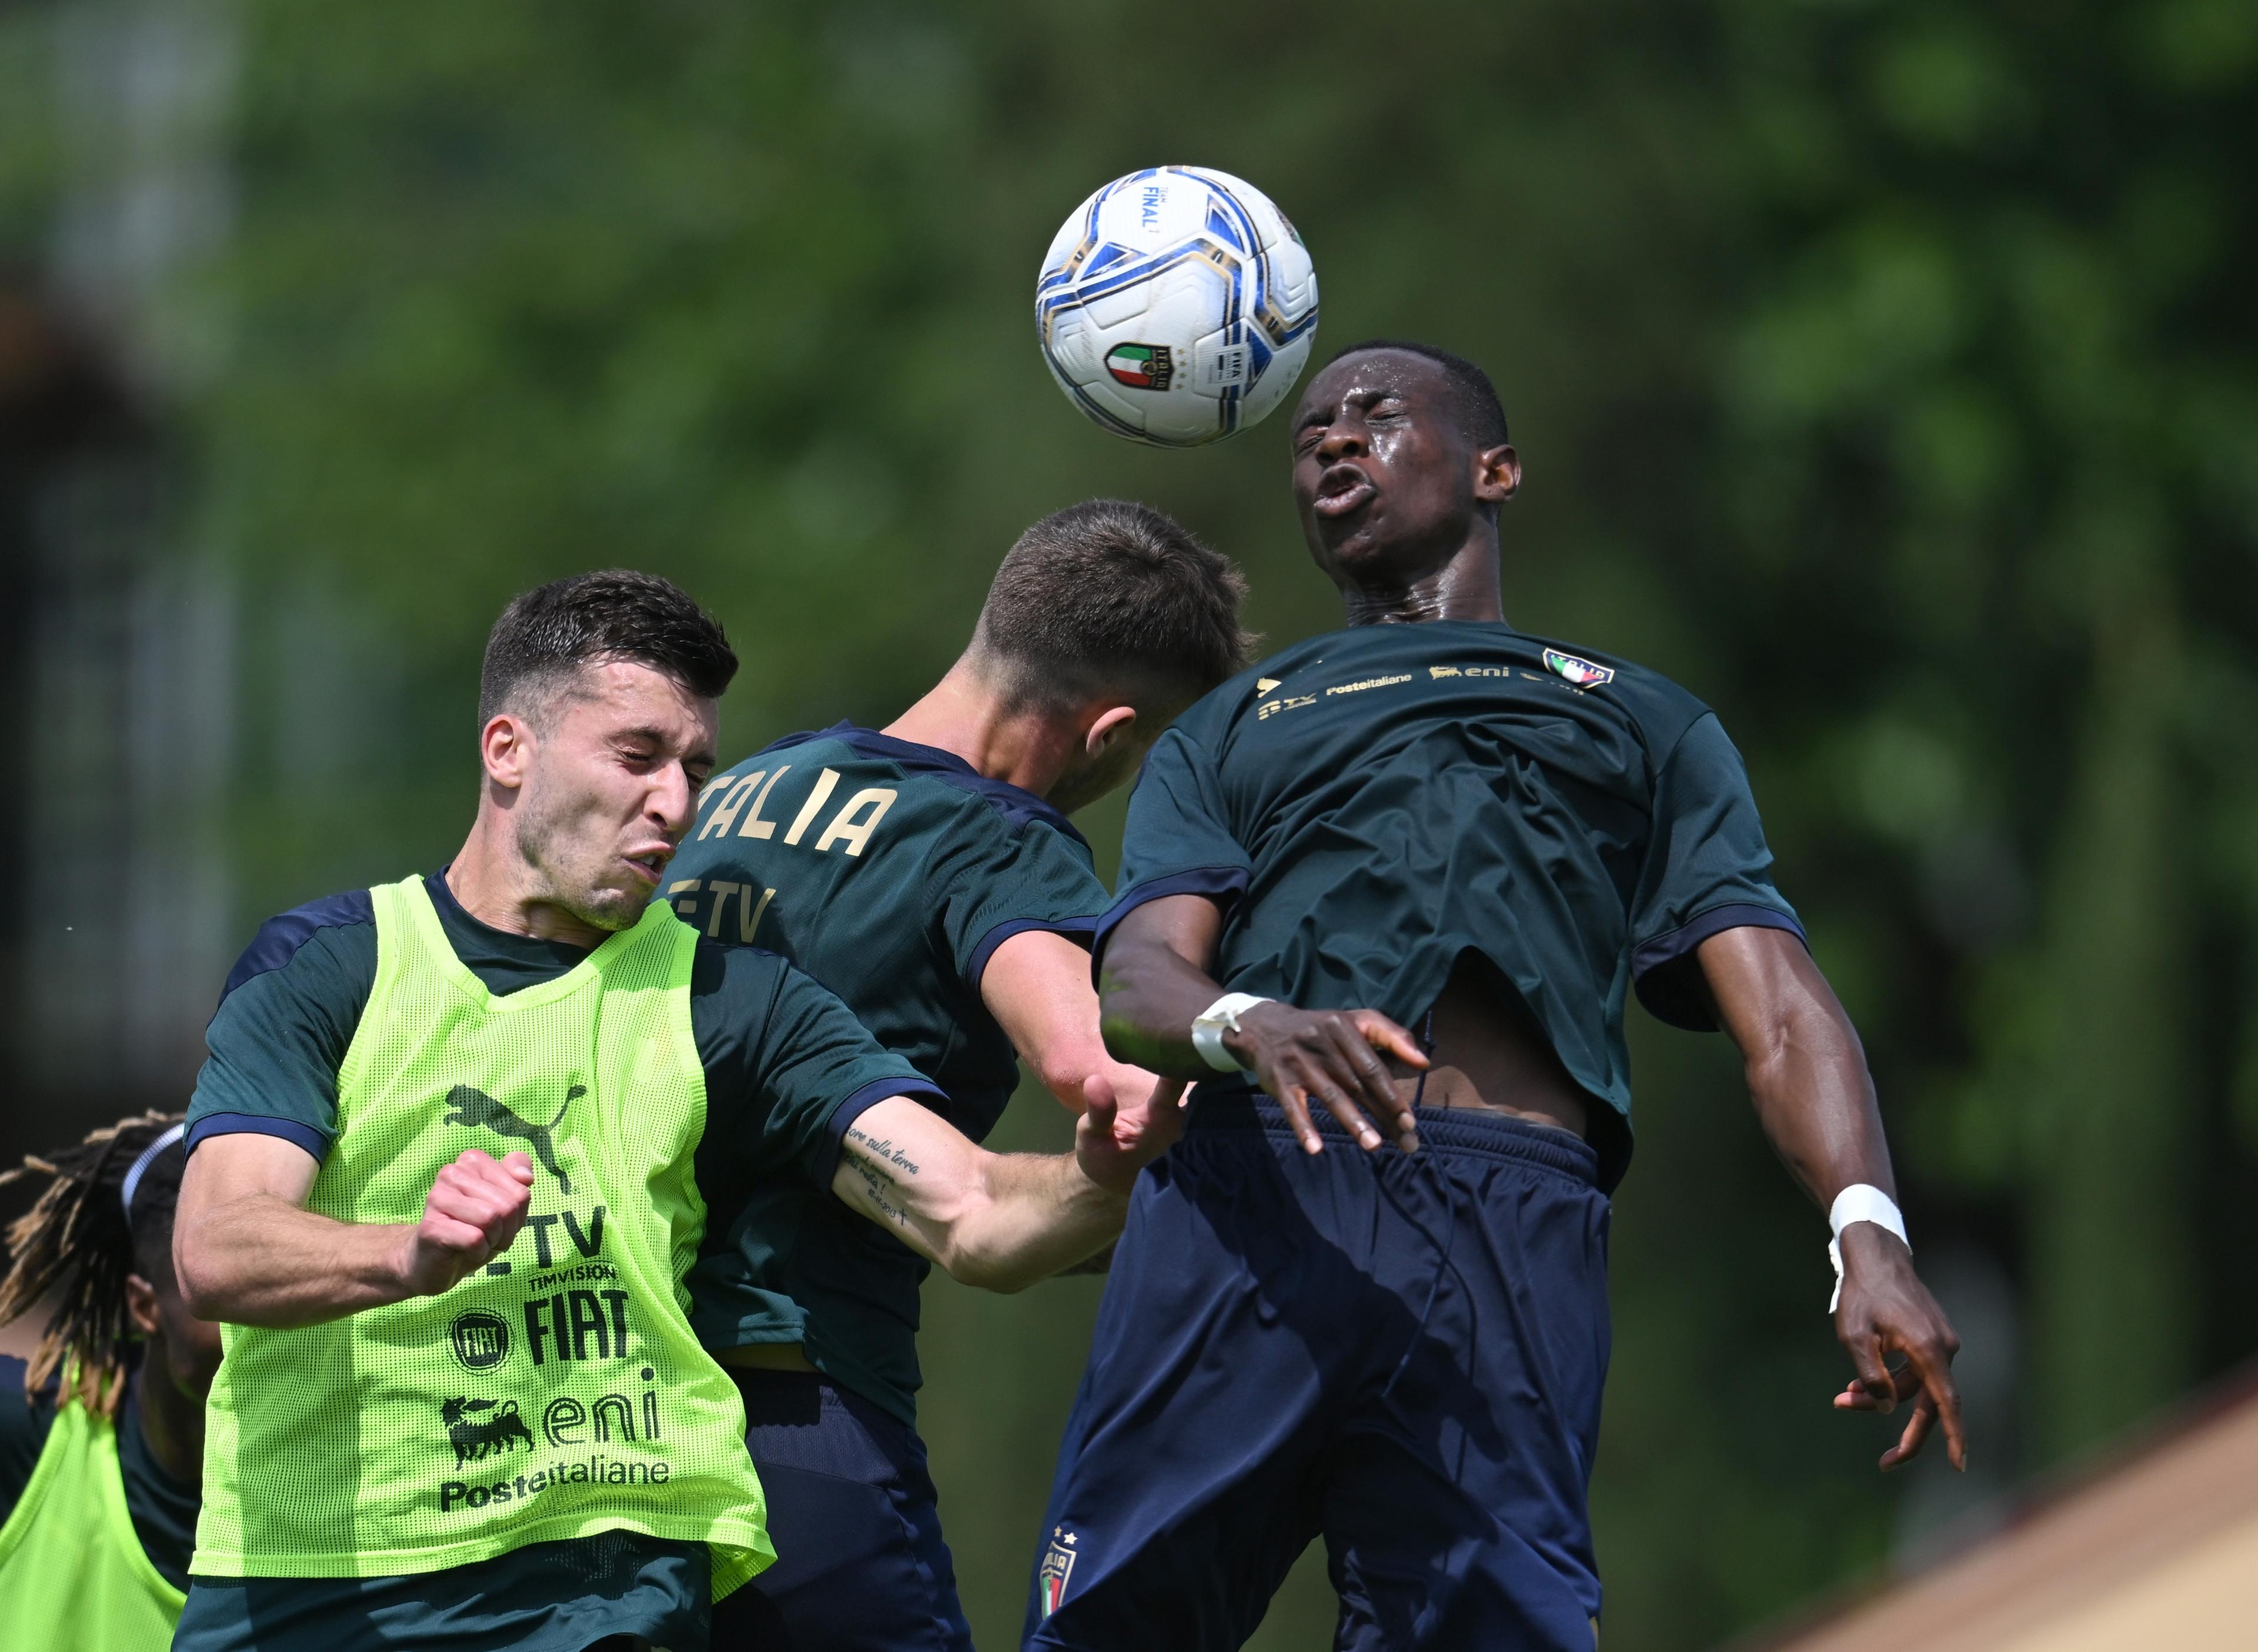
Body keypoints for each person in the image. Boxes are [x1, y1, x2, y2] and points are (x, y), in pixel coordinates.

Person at [1024, 342, 1969, 1652]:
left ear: (1496, 470)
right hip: (1262, 1195)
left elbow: (1787, 1008)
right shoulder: (1240, 723)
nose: (1333, 444)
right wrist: (1248, 1021)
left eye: (1376, 417)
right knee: (1111, 1630)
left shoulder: (1640, 719)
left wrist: (1867, 1232)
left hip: (1507, 1236)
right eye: (1311, 435)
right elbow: (1135, 976)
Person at [170, 570, 1175, 1652]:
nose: (676, 803)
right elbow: (218, 1250)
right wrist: (405, 1255)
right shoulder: (328, 965)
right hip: (309, 1580)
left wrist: (1099, 1175)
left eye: (696, 767)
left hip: (591, 1595)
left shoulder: (731, 1000)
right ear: (508, 750)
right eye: (637, 756)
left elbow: (972, 1209)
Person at [663, 500, 1250, 1651]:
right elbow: (1090, 1059)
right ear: (1112, 733)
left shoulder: (729, 797)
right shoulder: (995, 838)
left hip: (603, 1422)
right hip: (799, 1426)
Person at [0, 1112, 212, 1648]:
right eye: (225, 1293)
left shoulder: (365, 1478)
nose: (270, 1316)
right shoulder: (32, 1436)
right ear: (146, 1307)